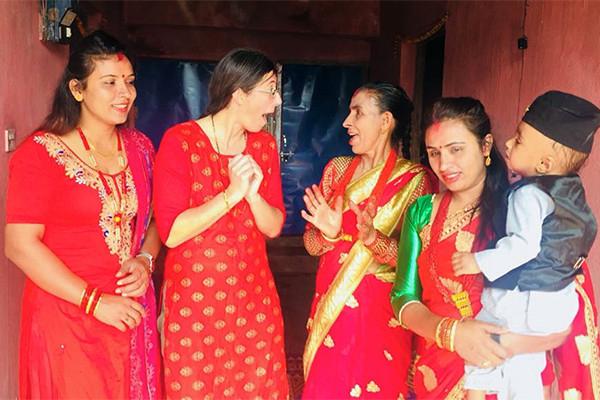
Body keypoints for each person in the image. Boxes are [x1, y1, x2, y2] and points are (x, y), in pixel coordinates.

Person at [5, 31, 161, 399]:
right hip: (67, 314)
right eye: (109, 83)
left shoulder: (139, 148)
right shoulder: (40, 154)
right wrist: (94, 301)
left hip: (128, 311)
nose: (124, 93)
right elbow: (20, 245)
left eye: (129, 82)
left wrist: (145, 259)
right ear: (77, 89)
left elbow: (155, 221)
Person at [391, 97, 572, 399]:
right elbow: (403, 297)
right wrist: (450, 332)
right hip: (434, 371)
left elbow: (553, 300)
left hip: (505, 372)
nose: (444, 165)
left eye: (456, 150)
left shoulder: (520, 214)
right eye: (434, 154)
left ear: (485, 146)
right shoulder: (421, 212)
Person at [153, 48, 289, 399]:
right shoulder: (180, 142)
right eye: (269, 91)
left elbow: (273, 226)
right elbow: (172, 232)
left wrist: (253, 195)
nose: (275, 103)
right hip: (194, 305)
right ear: (239, 93)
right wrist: (231, 194)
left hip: (255, 301)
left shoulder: (263, 146)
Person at [451, 91, 599, 400]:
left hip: (521, 298)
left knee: (484, 345)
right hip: (558, 299)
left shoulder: (527, 194)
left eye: (518, 140)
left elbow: (523, 247)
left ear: (544, 162)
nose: (508, 143)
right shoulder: (572, 194)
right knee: (526, 371)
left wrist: (477, 261)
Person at [301, 82, 434, 399]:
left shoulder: (415, 181)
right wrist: (328, 235)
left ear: (386, 121)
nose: (347, 122)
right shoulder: (337, 169)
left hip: (379, 316)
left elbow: (414, 262)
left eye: (357, 113)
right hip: (332, 306)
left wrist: (373, 238)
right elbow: (310, 244)